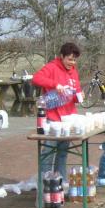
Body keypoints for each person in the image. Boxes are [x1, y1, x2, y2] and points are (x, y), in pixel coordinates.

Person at [32, 42, 83, 182]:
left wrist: (79, 96)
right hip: (53, 118)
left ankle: (61, 182)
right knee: (48, 151)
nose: (72, 63)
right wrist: (55, 85)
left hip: (68, 119)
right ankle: (45, 182)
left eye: (74, 60)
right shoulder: (52, 67)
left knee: (63, 152)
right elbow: (36, 79)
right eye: (69, 59)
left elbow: (76, 90)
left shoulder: (74, 72)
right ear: (62, 56)